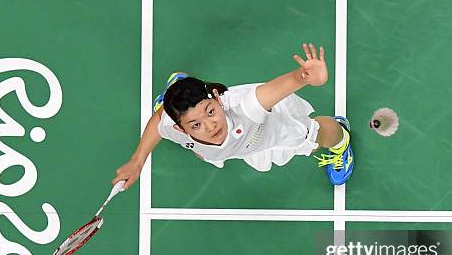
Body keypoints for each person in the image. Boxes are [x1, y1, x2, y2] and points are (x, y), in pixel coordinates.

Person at [112, 43, 354, 189]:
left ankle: (342, 140)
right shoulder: (171, 126)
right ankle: (177, 89)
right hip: (241, 146)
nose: (210, 126)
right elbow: (159, 122)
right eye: (196, 124)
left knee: (316, 138)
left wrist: (307, 77)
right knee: (201, 149)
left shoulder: (246, 106)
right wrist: (138, 160)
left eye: (211, 112)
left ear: (217, 98)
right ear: (180, 129)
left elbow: (285, 84)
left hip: (271, 129)